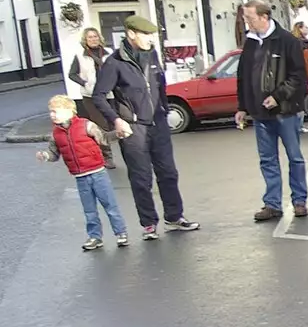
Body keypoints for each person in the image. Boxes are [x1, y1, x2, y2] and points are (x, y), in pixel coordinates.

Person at [90, 15, 201, 240]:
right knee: (141, 178)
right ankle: (149, 224)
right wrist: (117, 120)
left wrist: (163, 107)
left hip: (157, 123)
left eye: (152, 34)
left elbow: (159, 83)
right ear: (131, 34)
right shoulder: (114, 62)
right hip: (133, 127)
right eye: (146, 34)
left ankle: (174, 217)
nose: (151, 39)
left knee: (168, 173)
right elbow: (99, 96)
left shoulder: (151, 54)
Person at [235, 0, 308, 222]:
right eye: (245, 18)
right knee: (267, 160)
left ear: (264, 17)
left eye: (250, 18)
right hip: (260, 114)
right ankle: (272, 204)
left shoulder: (287, 41)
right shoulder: (249, 43)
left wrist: (277, 97)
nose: (246, 22)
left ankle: (299, 200)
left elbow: (298, 76)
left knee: (294, 157)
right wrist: (242, 107)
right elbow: (243, 78)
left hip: (286, 111)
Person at [36, 95, 128, 251]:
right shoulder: (55, 134)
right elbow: (54, 154)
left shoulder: (86, 125)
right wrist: (45, 156)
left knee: (109, 205)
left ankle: (121, 233)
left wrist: (118, 134)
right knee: (89, 210)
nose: (51, 115)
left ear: (68, 111)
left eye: (55, 111)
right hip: (80, 177)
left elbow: (103, 138)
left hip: (98, 173)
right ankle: (95, 237)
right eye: (50, 111)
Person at [66, 29, 116, 167]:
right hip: (90, 96)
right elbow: (72, 74)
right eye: (90, 37)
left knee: (113, 123)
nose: (93, 39)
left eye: (95, 36)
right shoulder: (80, 56)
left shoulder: (109, 53)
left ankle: (98, 149)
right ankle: (107, 156)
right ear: (85, 40)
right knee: (101, 125)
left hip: (109, 94)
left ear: (99, 38)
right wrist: (85, 83)